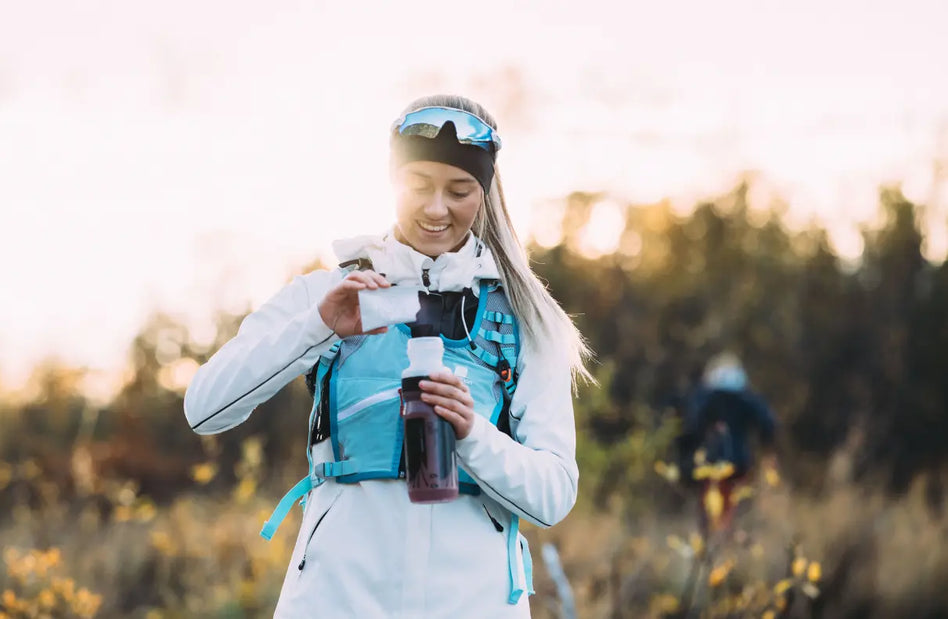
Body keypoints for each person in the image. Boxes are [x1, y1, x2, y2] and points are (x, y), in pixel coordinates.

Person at [183, 94, 593, 617]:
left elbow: (554, 495)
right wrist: (317, 328)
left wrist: (472, 432)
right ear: (390, 178)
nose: (436, 208)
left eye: (460, 189)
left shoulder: (525, 321)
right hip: (337, 597)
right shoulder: (324, 293)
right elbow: (204, 408)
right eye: (419, 185)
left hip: (473, 601)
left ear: (485, 193)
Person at [677, 353, 777, 533]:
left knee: (711, 516)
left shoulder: (707, 396)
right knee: (733, 513)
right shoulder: (745, 397)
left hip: (712, 464)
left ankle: (714, 548)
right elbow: (768, 423)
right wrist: (767, 449)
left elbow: (693, 425)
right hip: (739, 463)